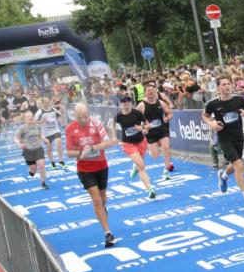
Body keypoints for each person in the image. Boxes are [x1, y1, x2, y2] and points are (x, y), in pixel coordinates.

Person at [203, 75, 244, 210]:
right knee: (239, 165)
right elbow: (205, 116)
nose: (227, 86)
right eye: (223, 84)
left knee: (234, 164)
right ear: (218, 88)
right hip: (224, 138)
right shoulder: (212, 103)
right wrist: (212, 124)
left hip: (239, 136)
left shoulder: (239, 100)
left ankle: (223, 176)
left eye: (228, 84)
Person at [65, 103, 119, 247]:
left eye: (85, 117)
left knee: (103, 198)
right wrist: (80, 153)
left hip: (101, 166)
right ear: (74, 116)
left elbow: (108, 143)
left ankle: (103, 208)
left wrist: (92, 148)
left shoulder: (97, 123)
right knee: (96, 199)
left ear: (89, 114)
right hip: (84, 169)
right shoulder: (70, 128)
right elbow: (69, 153)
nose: (83, 120)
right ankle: (108, 233)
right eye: (80, 118)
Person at [115, 96, 157, 199]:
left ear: (131, 102)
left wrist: (141, 127)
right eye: (124, 101)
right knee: (141, 165)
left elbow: (148, 125)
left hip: (141, 142)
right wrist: (114, 137)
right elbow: (111, 125)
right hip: (128, 144)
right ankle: (150, 190)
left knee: (139, 165)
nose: (126, 102)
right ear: (121, 103)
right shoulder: (118, 116)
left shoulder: (137, 113)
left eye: (128, 100)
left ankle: (135, 167)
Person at [137, 81, 175, 179]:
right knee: (155, 156)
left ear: (155, 91)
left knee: (166, 148)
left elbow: (169, 113)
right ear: (145, 93)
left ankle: (166, 170)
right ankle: (151, 150)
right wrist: (143, 128)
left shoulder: (161, 103)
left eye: (152, 90)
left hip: (162, 130)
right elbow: (135, 119)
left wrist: (167, 118)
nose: (151, 92)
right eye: (148, 90)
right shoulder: (141, 105)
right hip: (150, 133)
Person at [16, 113, 48, 189]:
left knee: (41, 165)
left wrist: (45, 139)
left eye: (31, 116)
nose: (30, 118)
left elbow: (40, 135)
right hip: (28, 151)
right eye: (28, 116)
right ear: (25, 118)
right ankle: (31, 172)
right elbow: (16, 138)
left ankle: (43, 183)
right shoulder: (22, 128)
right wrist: (19, 144)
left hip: (38, 148)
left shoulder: (37, 126)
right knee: (33, 169)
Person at [34, 96, 65, 169]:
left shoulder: (53, 109)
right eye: (46, 102)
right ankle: (53, 163)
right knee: (49, 148)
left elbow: (61, 114)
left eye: (48, 102)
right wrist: (41, 122)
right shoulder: (40, 112)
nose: (47, 104)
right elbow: (34, 121)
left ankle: (61, 161)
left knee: (59, 144)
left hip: (55, 130)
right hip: (46, 133)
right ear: (42, 103)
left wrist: (62, 108)